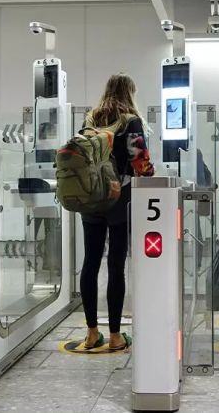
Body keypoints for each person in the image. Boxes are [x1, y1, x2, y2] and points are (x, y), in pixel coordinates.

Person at [79, 74, 154, 351]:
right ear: (130, 93)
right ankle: (114, 335)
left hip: (90, 198)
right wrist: (152, 177)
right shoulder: (130, 119)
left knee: (90, 262)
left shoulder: (90, 118)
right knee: (115, 265)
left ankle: (90, 333)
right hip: (119, 199)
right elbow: (139, 159)